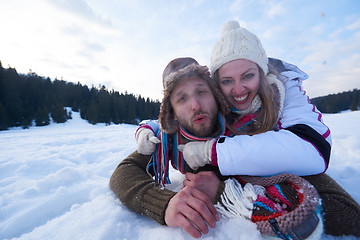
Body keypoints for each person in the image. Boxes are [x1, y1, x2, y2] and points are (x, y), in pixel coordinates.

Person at [135, 21, 360, 237]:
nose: (238, 90)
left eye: (248, 76)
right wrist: (151, 129)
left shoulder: (280, 95)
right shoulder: (185, 127)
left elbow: (316, 155)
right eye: (227, 81)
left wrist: (219, 171)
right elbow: (133, 164)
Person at [110, 57, 323, 239]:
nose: (195, 105)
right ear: (172, 112)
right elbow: (125, 171)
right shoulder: (167, 141)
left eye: (201, 91)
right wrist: (163, 203)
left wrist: (223, 191)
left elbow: (335, 200)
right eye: (181, 98)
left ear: (215, 95)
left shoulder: (245, 129)